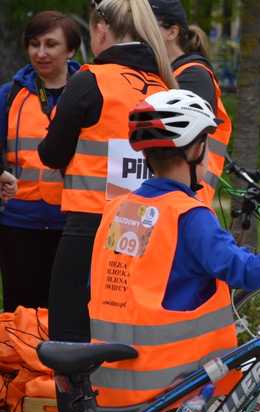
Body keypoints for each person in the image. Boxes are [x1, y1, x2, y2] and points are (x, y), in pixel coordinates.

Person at [88, 89, 260, 412]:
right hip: (170, 387)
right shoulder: (188, 215)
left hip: (112, 382)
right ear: (195, 149)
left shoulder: (120, 208)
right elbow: (245, 270)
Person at [37, 0, 177, 348]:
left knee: (69, 330)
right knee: (119, 321)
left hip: (89, 222)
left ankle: (76, 402)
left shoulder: (90, 80)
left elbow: (51, 152)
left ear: (101, 29)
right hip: (141, 221)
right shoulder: (163, 85)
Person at [0, 11, 81, 312]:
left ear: (70, 50)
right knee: (18, 314)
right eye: (34, 44)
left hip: (73, 223)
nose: (41, 53)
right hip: (18, 223)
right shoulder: (9, 96)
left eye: (51, 44)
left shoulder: (90, 94)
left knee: (67, 314)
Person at [149, 0, 232, 206]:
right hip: (171, 198)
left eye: (149, 25)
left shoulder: (193, 76)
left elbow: (174, 141)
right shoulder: (167, 75)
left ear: (172, 32)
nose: (141, 32)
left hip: (187, 200)